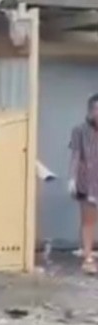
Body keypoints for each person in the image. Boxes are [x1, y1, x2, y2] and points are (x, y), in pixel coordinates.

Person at [68, 94, 98, 274]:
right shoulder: (79, 130)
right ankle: (87, 256)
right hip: (87, 181)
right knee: (88, 220)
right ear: (90, 111)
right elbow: (75, 155)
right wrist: (72, 178)